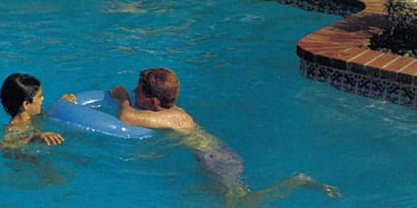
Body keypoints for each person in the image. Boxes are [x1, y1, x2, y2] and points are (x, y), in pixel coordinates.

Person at [109, 68, 342, 206]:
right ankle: (297, 182)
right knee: (237, 201)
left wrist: (123, 97)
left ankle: (297, 181)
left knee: (243, 204)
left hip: (216, 160)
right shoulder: (173, 113)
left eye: (138, 90)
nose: (134, 91)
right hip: (216, 156)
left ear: (155, 101)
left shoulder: (170, 118)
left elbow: (126, 117)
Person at [0, 72, 76, 149]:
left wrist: (61, 103)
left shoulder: (35, 115)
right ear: (26, 104)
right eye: (39, 96)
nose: (42, 98)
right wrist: (32, 137)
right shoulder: (13, 128)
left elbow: (49, 113)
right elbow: (3, 147)